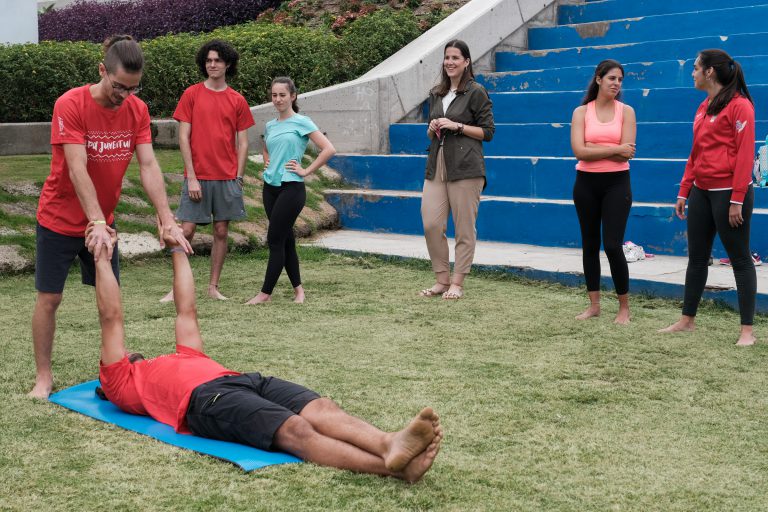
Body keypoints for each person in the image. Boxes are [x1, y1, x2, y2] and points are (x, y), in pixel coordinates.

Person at [95, 221, 443, 482]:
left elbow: (186, 309)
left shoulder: (182, 356)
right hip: (203, 401)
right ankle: (394, 470)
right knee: (295, 430)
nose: (132, 352)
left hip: (243, 380)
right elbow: (112, 318)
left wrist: (175, 248)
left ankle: (389, 442)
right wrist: (102, 257)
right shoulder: (121, 381)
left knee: (321, 408)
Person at [30, 35, 192, 399]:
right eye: (119, 86)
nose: (124, 95)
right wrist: (97, 221)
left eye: (133, 89)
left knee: (109, 298)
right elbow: (77, 166)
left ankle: (113, 367)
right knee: (50, 299)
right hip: (59, 218)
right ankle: (43, 377)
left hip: (104, 220)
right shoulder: (69, 104)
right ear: (102, 70)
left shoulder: (137, 110)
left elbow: (148, 164)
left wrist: (166, 218)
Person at [659, 49, 757, 346]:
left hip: (729, 194)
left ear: (709, 72)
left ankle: (747, 332)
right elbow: (696, 152)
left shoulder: (741, 107)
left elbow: (744, 156)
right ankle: (687, 320)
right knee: (697, 258)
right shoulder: (704, 106)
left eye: (695, 68)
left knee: (740, 260)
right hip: (702, 192)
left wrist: (737, 198)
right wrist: (684, 190)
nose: (692, 73)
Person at [160, 40, 255, 303]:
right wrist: (191, 176)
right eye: (208, 60)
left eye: (217, 60)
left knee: (221, 231)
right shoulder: (191, 94)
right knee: (186, 231)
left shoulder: (237, 100)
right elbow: (183, 137)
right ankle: (177, 287)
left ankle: (213, 287)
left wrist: (238, 176)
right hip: (198, 176)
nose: (212, 64)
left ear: (228, 64)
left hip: (226, 178)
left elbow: (243, 142)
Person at [246, 77, 335, 304]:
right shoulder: (270, 125)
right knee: (286, 240)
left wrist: (306, 171)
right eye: (274, 95)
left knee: (274, 239)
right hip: (270, 187)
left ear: (293, 96)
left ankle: (265, 293)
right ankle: (299, 291)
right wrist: (268, 161)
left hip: (292, 189)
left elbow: (328, 149)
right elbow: (266, 148)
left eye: (282, 95)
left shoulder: (302, 122)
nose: (277, 100)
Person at [420, 40, 494, 300]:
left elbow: (488, 132)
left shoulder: (476, 92)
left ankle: (457, 283)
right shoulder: (436, 93)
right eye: (446, 57)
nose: (449, 62)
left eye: (455, 57)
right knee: (431, 223)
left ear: (466, 62)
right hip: (437, 163)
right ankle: (441, 279)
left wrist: (457, 126)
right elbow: (433, 131)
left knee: (464, 227)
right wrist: (432, 130)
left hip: (466, 167)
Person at [569, 59, 637, 324]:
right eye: (612, 79)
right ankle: (594, 305)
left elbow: (626, 154)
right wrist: (613, 148)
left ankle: (624, 308)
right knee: (589, 245)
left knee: (612, 245)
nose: (616, 84)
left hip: (617, 183)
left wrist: (593, 146)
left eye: (620, 80)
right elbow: (579, 152)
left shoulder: (627, 111)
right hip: (585, 183)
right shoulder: (581, 112)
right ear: (598, 79)